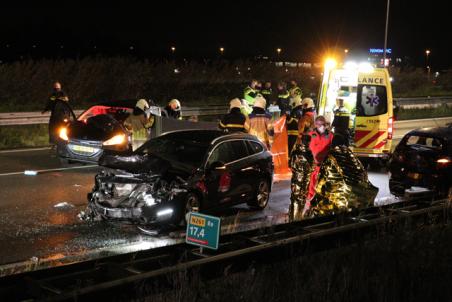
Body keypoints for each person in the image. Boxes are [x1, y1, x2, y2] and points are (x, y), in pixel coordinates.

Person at [303, 116, 333, 216]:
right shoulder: (311, 135)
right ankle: (308, 209)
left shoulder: (330, 136)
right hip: (314, 167)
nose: (322, 127)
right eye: (320, 125)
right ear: (316, 125)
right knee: (311, 188)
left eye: (324, 124)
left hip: (325, 167)